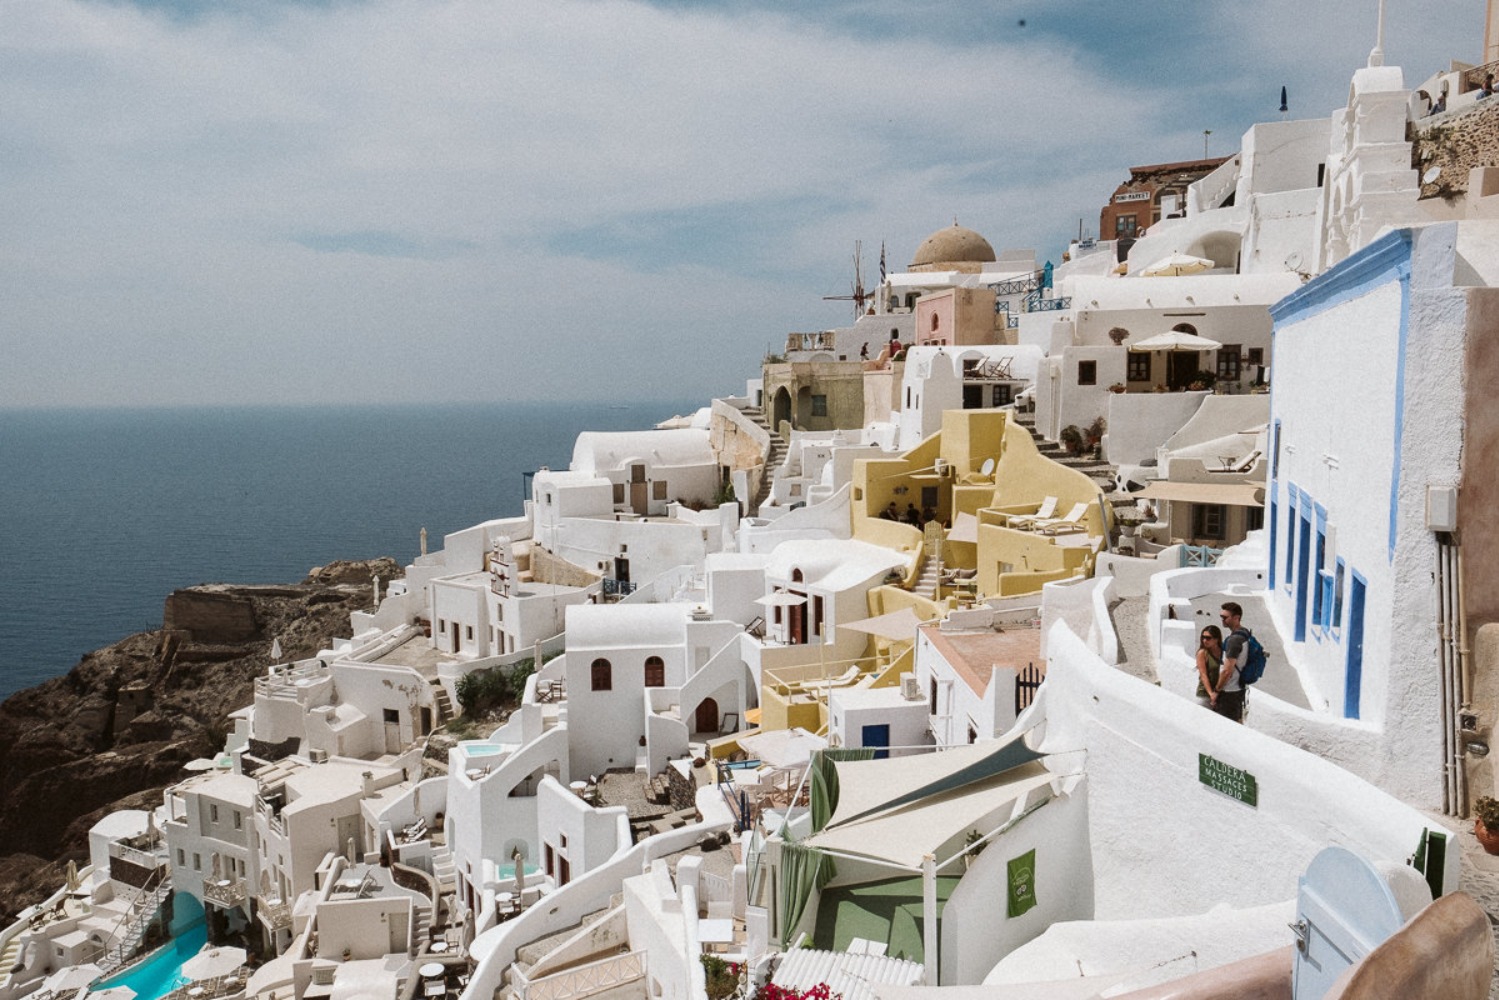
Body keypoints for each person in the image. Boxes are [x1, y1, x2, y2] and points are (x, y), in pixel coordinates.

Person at [1213, 602, 1248, 722]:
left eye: (1225, 617)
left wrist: (1216, 691)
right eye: (1221, 617)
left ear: (1236, 618)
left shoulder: (1234, 641)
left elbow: (1227, 671)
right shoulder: (1245, 633)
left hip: (1229, 692)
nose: (1222, 620)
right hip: (1238, 690)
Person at [1196, 625, 1223, 708]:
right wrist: (1211, 693)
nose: (1204, 640)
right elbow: (1203, 675)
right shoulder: (1202, 653)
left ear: (1216, 639)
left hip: (1220, 695)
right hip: (1205, 694)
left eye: (1208, 638)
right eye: (1203, 637)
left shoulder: (1224, 653)